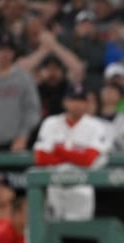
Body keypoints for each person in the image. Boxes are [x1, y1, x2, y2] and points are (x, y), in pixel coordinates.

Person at [34, 85, 112, 221]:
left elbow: (88, 160)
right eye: (73, 100)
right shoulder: (50, 123)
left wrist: (59, 151)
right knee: (51, 232)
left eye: (81, 100)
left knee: (79, 234)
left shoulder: (96, 126)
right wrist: (75, 156)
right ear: (65, 102)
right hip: (54, 187)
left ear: (86, 103)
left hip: (80, 188)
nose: (76, 104)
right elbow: (40, 158)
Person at [0, 33, 40, 151]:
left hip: (14, 144)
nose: (4, 54)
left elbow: (32, 110)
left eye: (8, 50)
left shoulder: (24, 79)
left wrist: (23, 135)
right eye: (0, 50)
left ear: (13, 53)